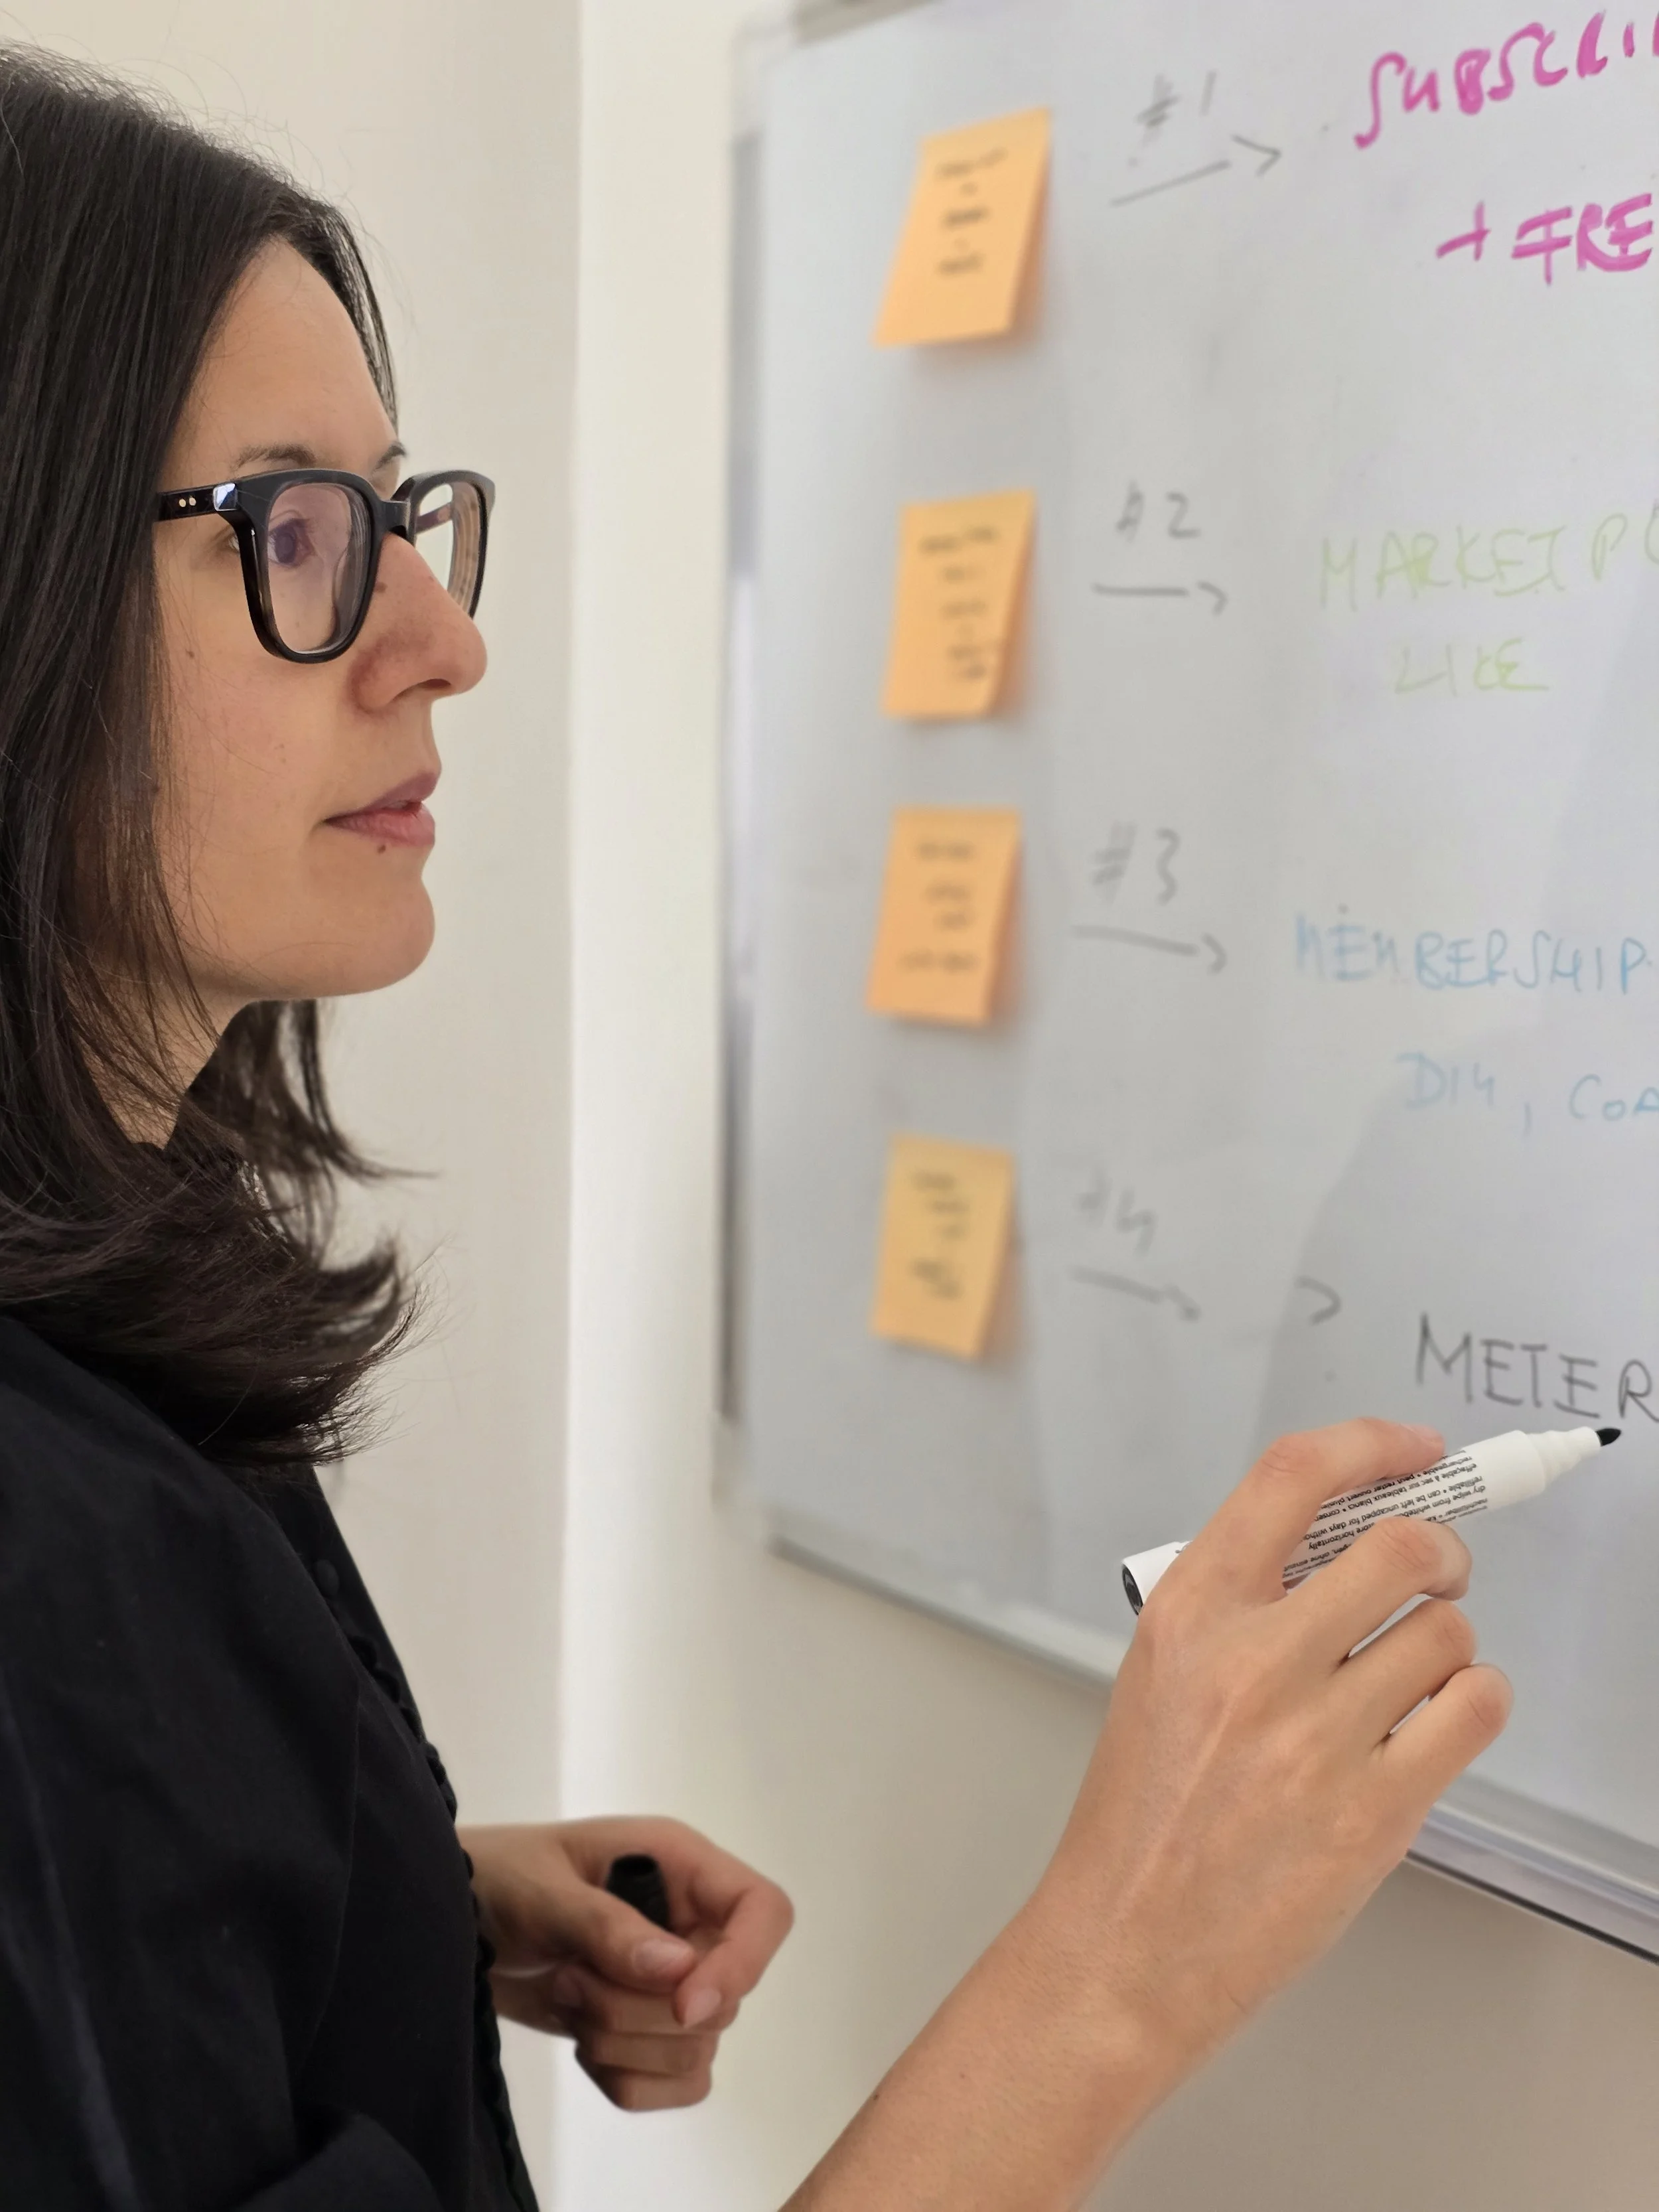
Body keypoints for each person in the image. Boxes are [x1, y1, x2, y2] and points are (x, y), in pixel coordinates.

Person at [0, 49, 1511, 2212]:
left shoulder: (102, 1349)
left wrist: (388, 1900)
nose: (445, 637)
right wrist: (1112, 1970)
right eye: (299, 534)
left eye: (404, 518)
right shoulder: (42, 1565)